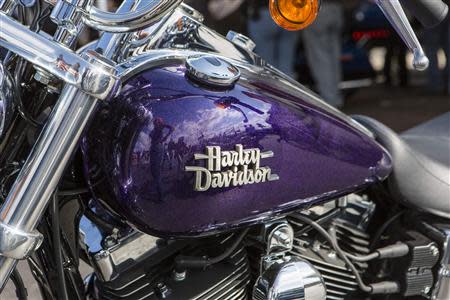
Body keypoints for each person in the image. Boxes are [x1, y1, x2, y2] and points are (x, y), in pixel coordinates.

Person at [302, 0, 344, 108]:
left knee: (320, 59)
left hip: (317, 9)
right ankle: (335, 96)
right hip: (335, 8)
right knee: (333, 57)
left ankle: (330, 99)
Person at [247, 1, 300, 77]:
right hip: (287, 11)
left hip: (262, 11)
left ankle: (271, 84)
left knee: (267, 67)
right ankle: (285, 84)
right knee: (286, 66)